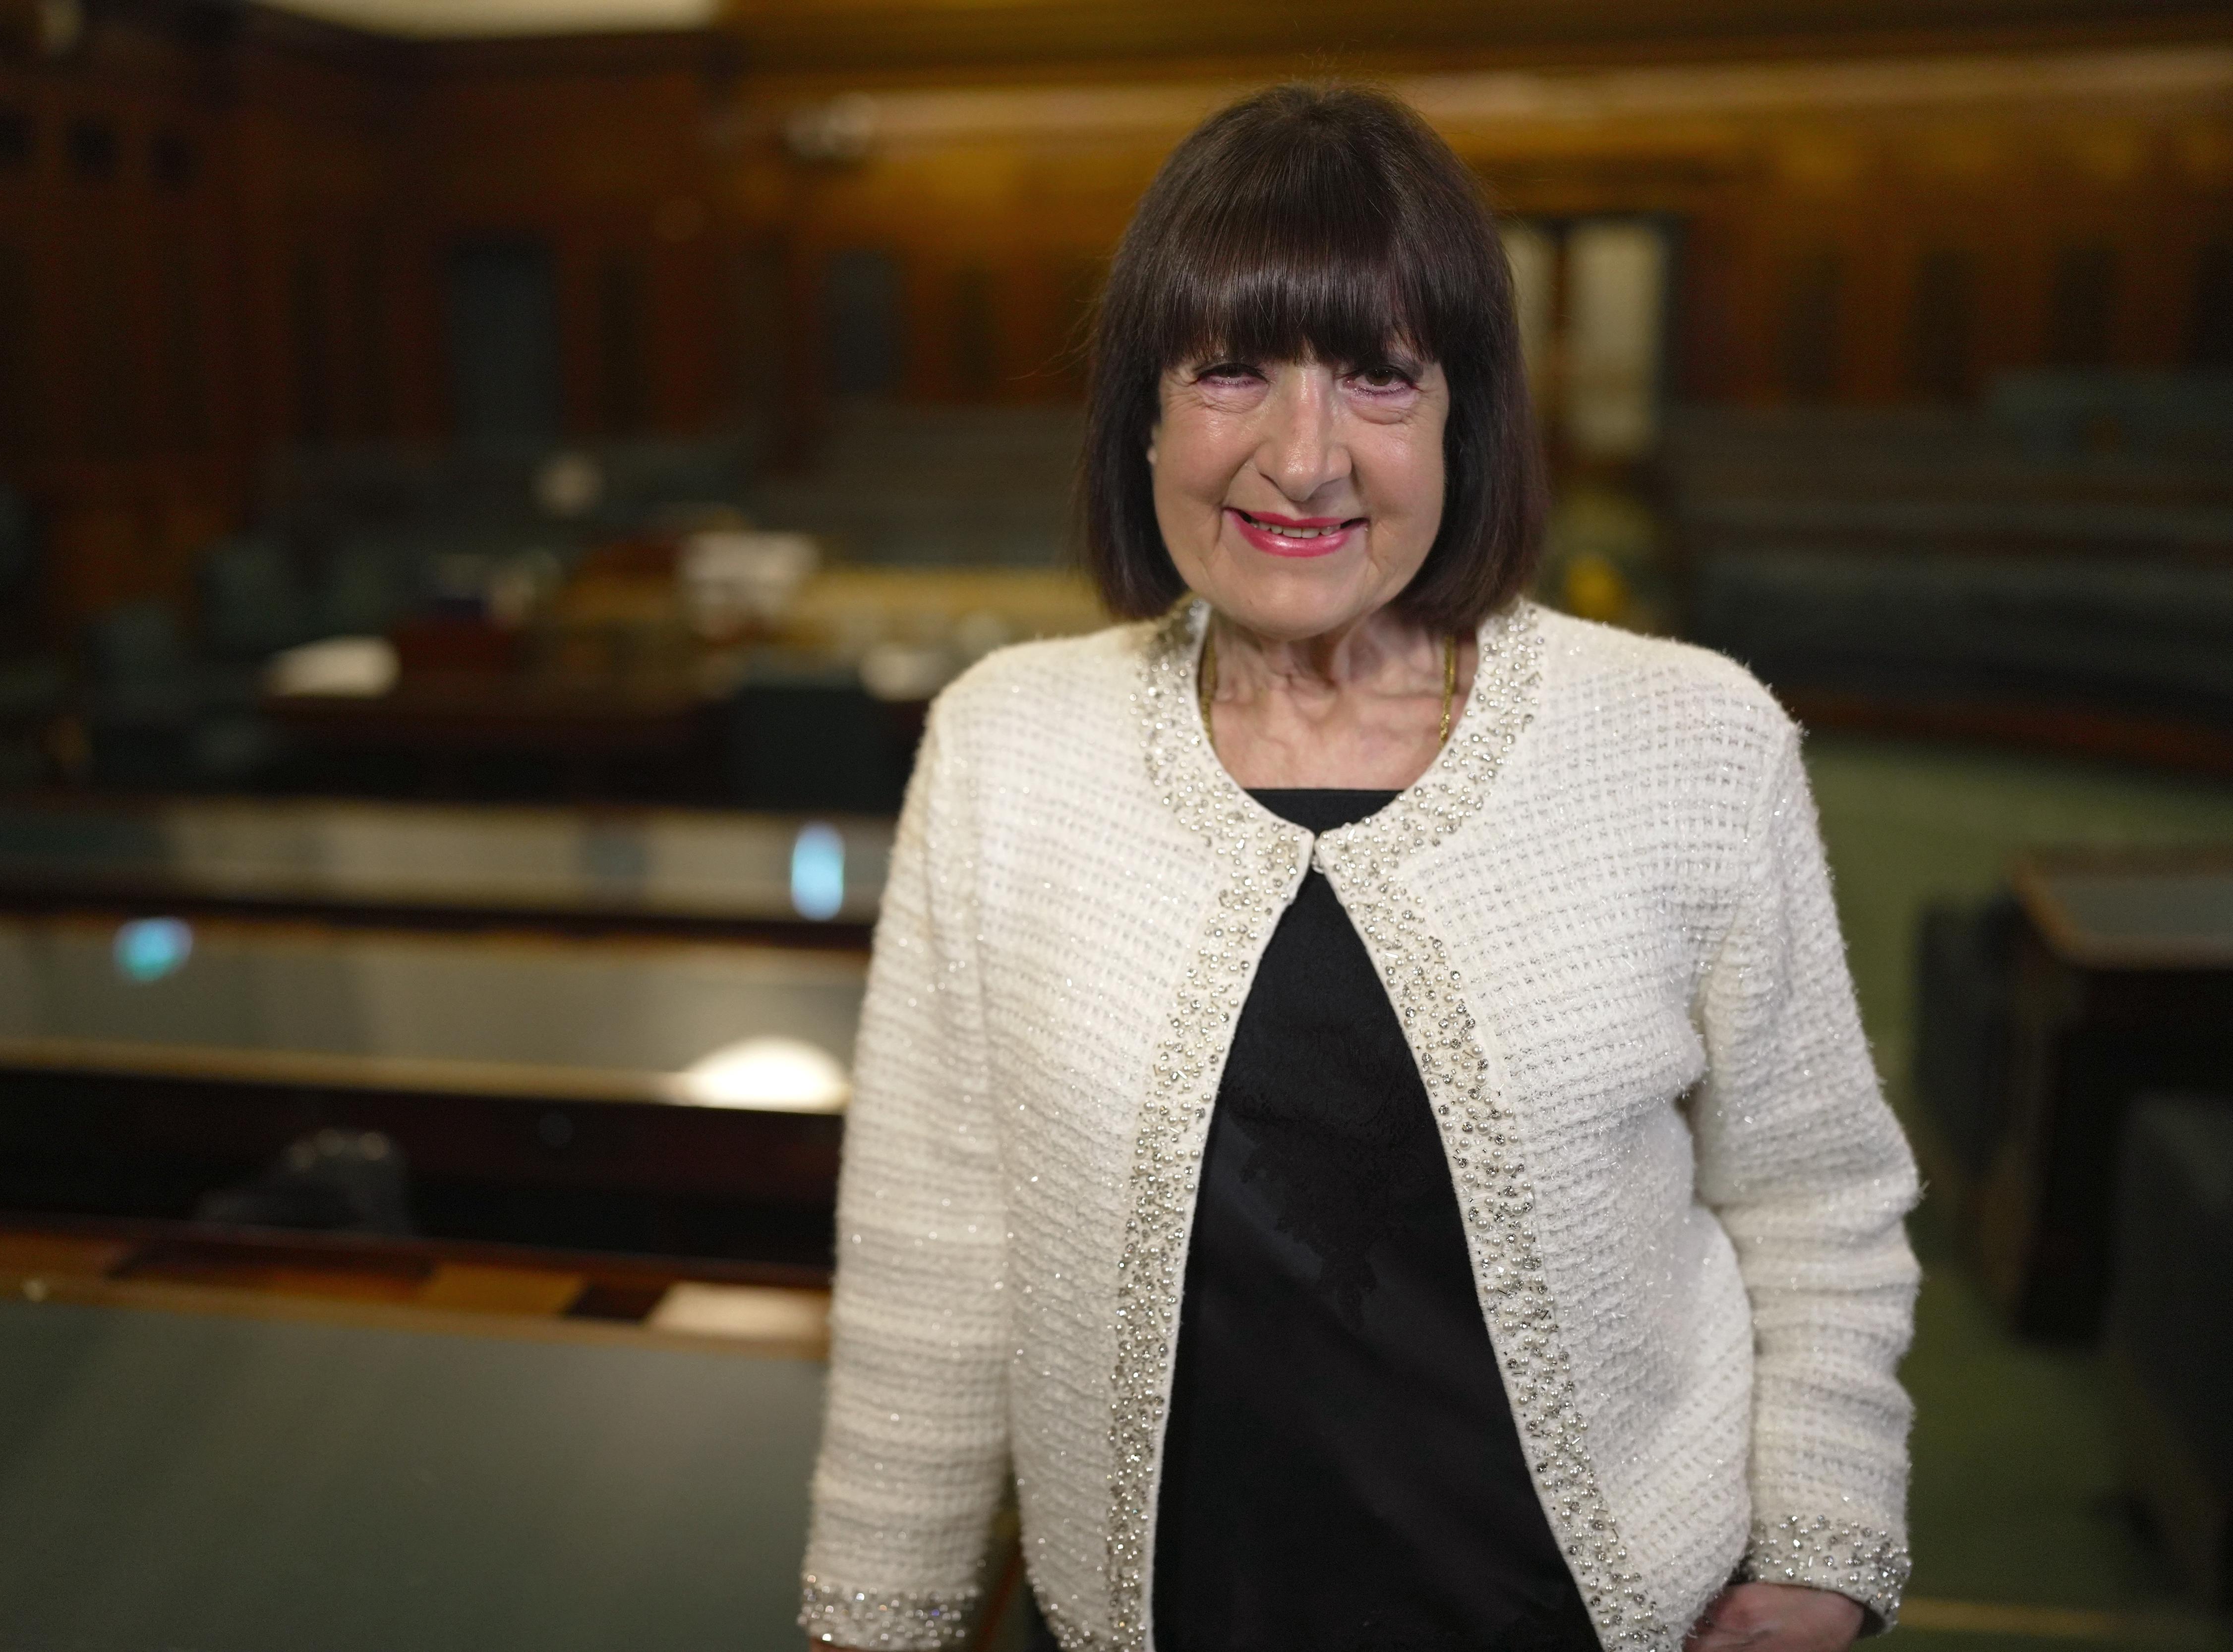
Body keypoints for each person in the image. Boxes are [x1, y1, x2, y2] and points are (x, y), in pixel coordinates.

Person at [799, 82, 1918, 1652]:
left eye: (1380, 377)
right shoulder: (1003, 746)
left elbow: (1816, 1198)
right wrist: (880, 1622)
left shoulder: (1695, 742)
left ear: (1469, 412)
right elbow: (933, 1246)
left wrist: (1824, 1541)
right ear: (1142, 411)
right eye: (1232, 371)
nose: (1301, 458)